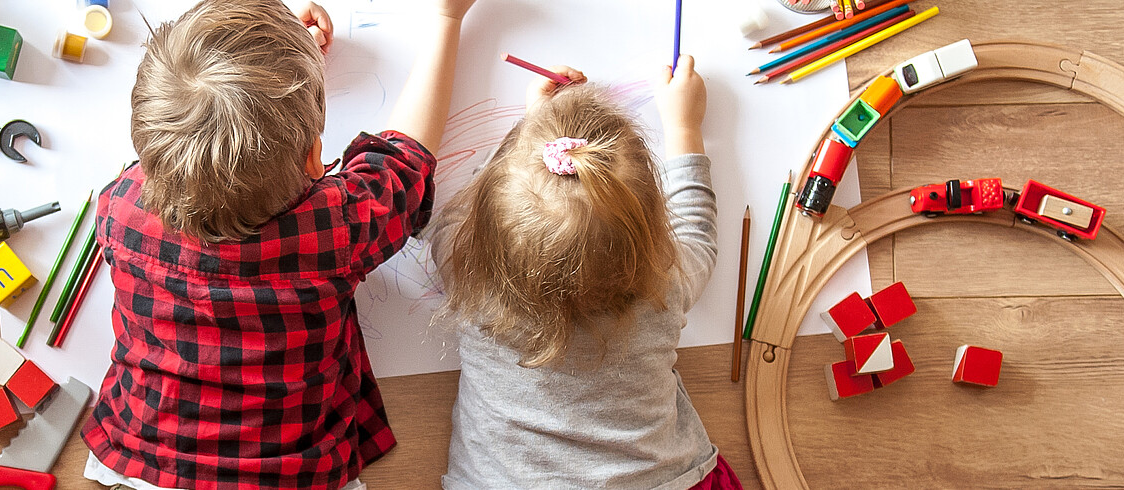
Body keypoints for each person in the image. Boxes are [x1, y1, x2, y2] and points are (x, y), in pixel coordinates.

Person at [77, 0, 476, 488]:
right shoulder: (334, 231)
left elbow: (194, 132)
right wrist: (447, 20)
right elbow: (403, 161)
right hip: (292, 476)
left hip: (144, 460)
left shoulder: (120, 209)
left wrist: (268, 70)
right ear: (316, 158)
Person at [431, 56, 741, 489]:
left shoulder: (467, 269)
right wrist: (685, 129)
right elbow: (696, 234)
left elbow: (458, 214)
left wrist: (528, 128)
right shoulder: (661, 283)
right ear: (650, 226)